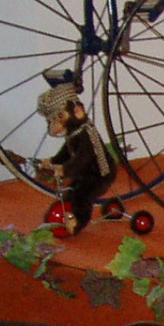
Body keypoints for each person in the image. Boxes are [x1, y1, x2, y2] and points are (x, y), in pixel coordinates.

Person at [33, 78, 116, 236]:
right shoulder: (74, 134)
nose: (54, 125)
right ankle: (70, 213)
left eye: (60, 117)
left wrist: (65, 169)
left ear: (77, 111)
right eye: (52, 120)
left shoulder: (87, 134)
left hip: (100, 175)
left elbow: (83, 157)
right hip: (85, 173)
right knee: (71, 192)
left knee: (82, 196)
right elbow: (67, 152)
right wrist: (53, 161)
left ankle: (78, 222)